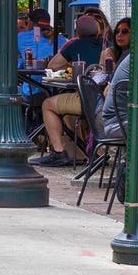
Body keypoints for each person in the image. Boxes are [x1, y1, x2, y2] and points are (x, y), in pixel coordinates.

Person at [31, 14, 105, 167]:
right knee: (66, 106)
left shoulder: (75, 45)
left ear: (77, 32)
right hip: (106, 99)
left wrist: (68, 67)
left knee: (47, 104)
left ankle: (59, 151)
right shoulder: (106, 46)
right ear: (98, 31)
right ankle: (80, 151)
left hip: (88, 100)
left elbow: (52, 65)